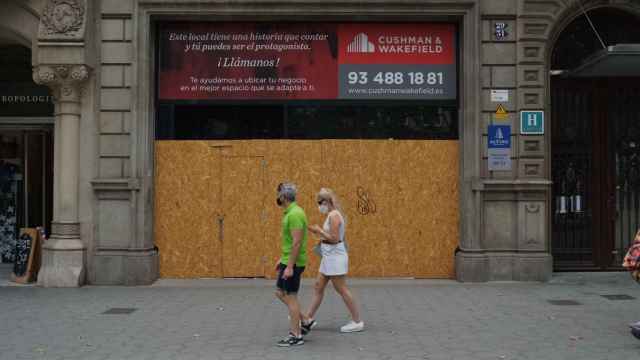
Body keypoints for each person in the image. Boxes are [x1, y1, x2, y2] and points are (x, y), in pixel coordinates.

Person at [301, 188, 364, 334]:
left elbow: (335, 238)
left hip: (335, 257)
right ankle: (308, 319)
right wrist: (317, 232)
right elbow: (330, 236)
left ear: (327, 201)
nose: (318, 206)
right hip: (328, 257)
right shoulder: (331, 215)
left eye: (320, 202)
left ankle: (357, 321)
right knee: (318, 286)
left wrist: (319, 231)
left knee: (341, 289)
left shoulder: (334, 216)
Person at [274, 182, 308, 347]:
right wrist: (282, 259)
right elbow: (290, 243)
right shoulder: (291, 212)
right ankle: (306, 320)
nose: (277, 197)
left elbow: (296, 243)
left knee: (291, 298)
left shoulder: (294, 214)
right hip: (288, 260)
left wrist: (289, 267)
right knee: (280, 292)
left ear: (284, 197)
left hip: (293, 263)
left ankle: (296, 335)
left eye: (279, 194)